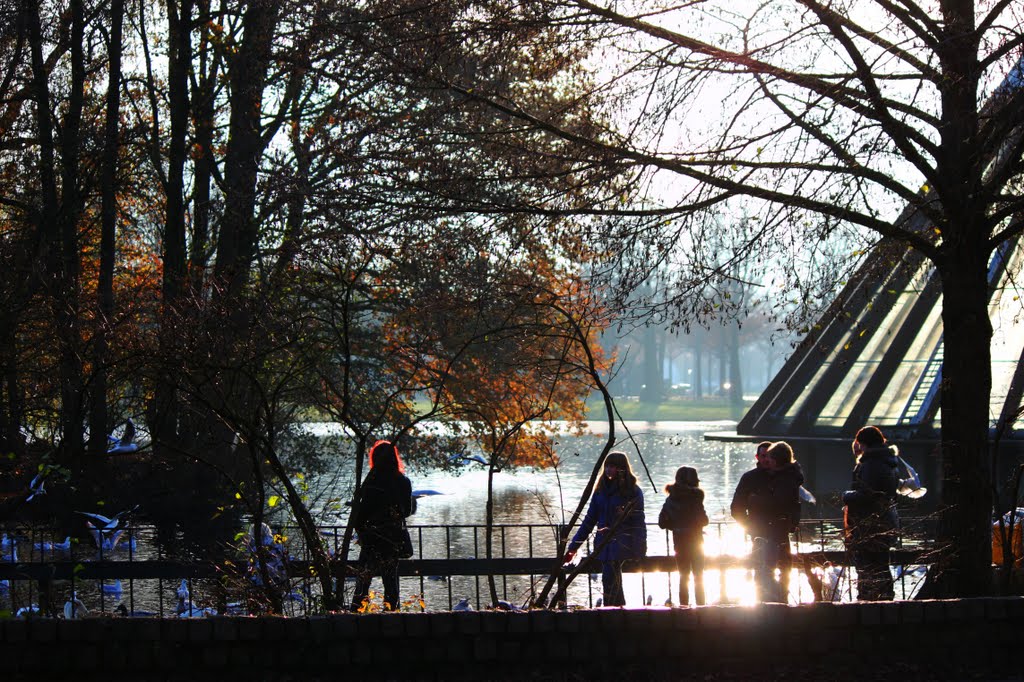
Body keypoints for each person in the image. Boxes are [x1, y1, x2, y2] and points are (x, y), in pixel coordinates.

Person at [563, 451, 647, 607]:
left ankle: (611, 612)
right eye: (607, 466)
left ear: (622, 468)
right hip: (603, 544)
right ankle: (617, 612)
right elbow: (589, 520)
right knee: (611, 582)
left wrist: (640, 549)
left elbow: (638, 522)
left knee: (610, 580)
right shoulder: (600, 491)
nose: (608, 469)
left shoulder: (632, 491)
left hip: (622, 543)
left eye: (612, 466)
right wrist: (573, 547)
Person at [731, 441, 803, 602]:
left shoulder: (785, 477)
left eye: (769, 457)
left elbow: (792, 504)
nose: (766, 460)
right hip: (760, 533)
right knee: (762, 572)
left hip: (781, 532)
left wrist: (791, 524)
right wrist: (750, 527)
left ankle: (782, 603)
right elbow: (736, 508)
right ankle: (763, 604)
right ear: (757, 457)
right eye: (763, 456)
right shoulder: (750, 478)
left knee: (784, 571)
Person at [350, 440, 413, 611]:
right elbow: (406, 511)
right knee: (391, 583)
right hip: (392, 538)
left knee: (363, 582)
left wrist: (360, 530)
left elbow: (362, 512)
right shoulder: (402, 481)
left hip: (371, 538)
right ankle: (392, 616)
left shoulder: (371, 482)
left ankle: (356, 615)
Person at [843, 426, 900, 601]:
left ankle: (868, 601)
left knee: (866, 566)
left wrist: (846, 496)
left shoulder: (870, 464)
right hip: (885, 521)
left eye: (860, 443)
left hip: (868, 525)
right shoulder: (888, 462)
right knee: (881, 564)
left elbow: (867, 495)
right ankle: (885, 598)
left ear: (864, 443)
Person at [658, 466, 709, 606]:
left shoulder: (671, 499)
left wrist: (676, 527)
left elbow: (662, 522)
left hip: (679, 542)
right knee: (699, 576)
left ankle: (684, 608)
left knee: (683, 576)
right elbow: (704, 521)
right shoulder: (696, 498)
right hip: (696, 542)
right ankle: (701, 608)